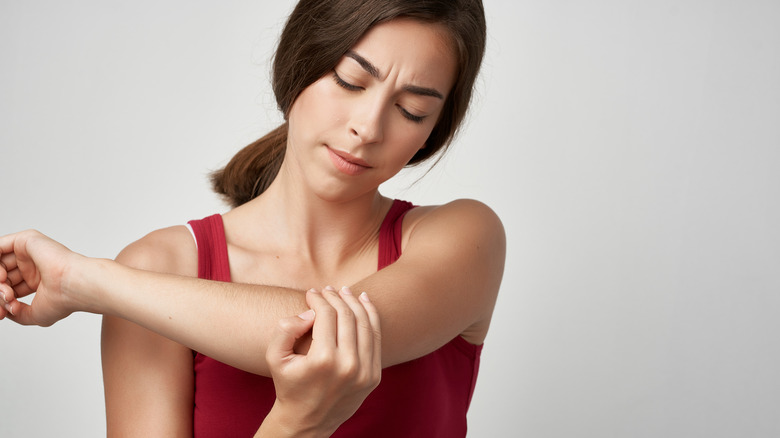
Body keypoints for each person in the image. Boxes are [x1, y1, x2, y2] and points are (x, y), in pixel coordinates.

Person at [1, 0, 505, 436]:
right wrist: (296, 424)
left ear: (432, 133)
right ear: (299, 64)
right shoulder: (157, 266)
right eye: (350, 82)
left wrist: (86, 280)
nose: (367, 127)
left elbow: (328, 338)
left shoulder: (465, 238)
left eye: (413, 110)